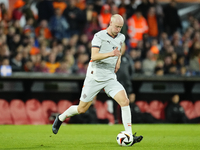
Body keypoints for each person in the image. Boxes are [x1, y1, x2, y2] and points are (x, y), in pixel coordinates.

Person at [52, 14, 143, 145]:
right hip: (94, 76)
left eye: (120, 27)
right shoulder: (99, 36)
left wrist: (118, 61)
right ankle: (60, 118)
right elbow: (94, 56)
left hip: (110, 77)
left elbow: (118, 51)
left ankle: (129, 134)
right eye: (117, 26)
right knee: (81, 109)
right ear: (110, 23)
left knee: (125, 101)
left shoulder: (121, 37)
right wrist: (111, 54)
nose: (118, 29)